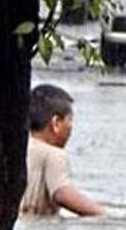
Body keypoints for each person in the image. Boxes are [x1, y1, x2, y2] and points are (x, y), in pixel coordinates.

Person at [20, 84, 105, 218]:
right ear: (56, 123)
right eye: (70, 120)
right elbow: (62, 194)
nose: (71, 128)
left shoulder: (18, 149)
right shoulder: (54, 154)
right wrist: (104, 214)